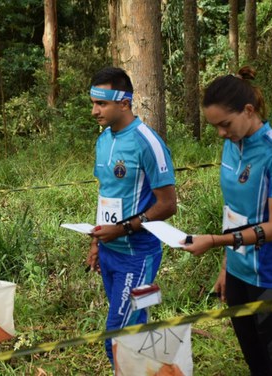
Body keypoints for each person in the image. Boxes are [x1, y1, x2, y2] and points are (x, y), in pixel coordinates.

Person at [181, 66, 272, 375]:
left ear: (249, 111)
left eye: (225, 124)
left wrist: (214, 242)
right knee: (256, 362)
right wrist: (226, 265)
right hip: (238, 272)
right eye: (215, 127)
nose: (221, 133)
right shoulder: (230, 146)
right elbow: (232, 211)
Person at [86, 67, 177, 366]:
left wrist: (123, 229)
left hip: (138, 255)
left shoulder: (147, 142)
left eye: (101, 104)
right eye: (93, 103)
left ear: (124, 103)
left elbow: (167, 205)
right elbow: (106, 195)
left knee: (117, 338)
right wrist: (96, 243)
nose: (94, 111)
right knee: (133, 334)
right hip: (110, 252)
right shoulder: (103, 141)